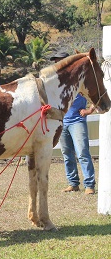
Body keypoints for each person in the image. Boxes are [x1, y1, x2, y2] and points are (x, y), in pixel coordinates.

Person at [50, 51, 96, 195]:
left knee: (82, 152)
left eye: (59, 61)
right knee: (67, 154)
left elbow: (96, 93)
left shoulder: (79, 79)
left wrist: (89, 110)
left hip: (77, 121)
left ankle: (89, 185)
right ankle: (73, 183)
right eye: (55, 61)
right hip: (63, 122)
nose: (57, 64)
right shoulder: (56, 82)